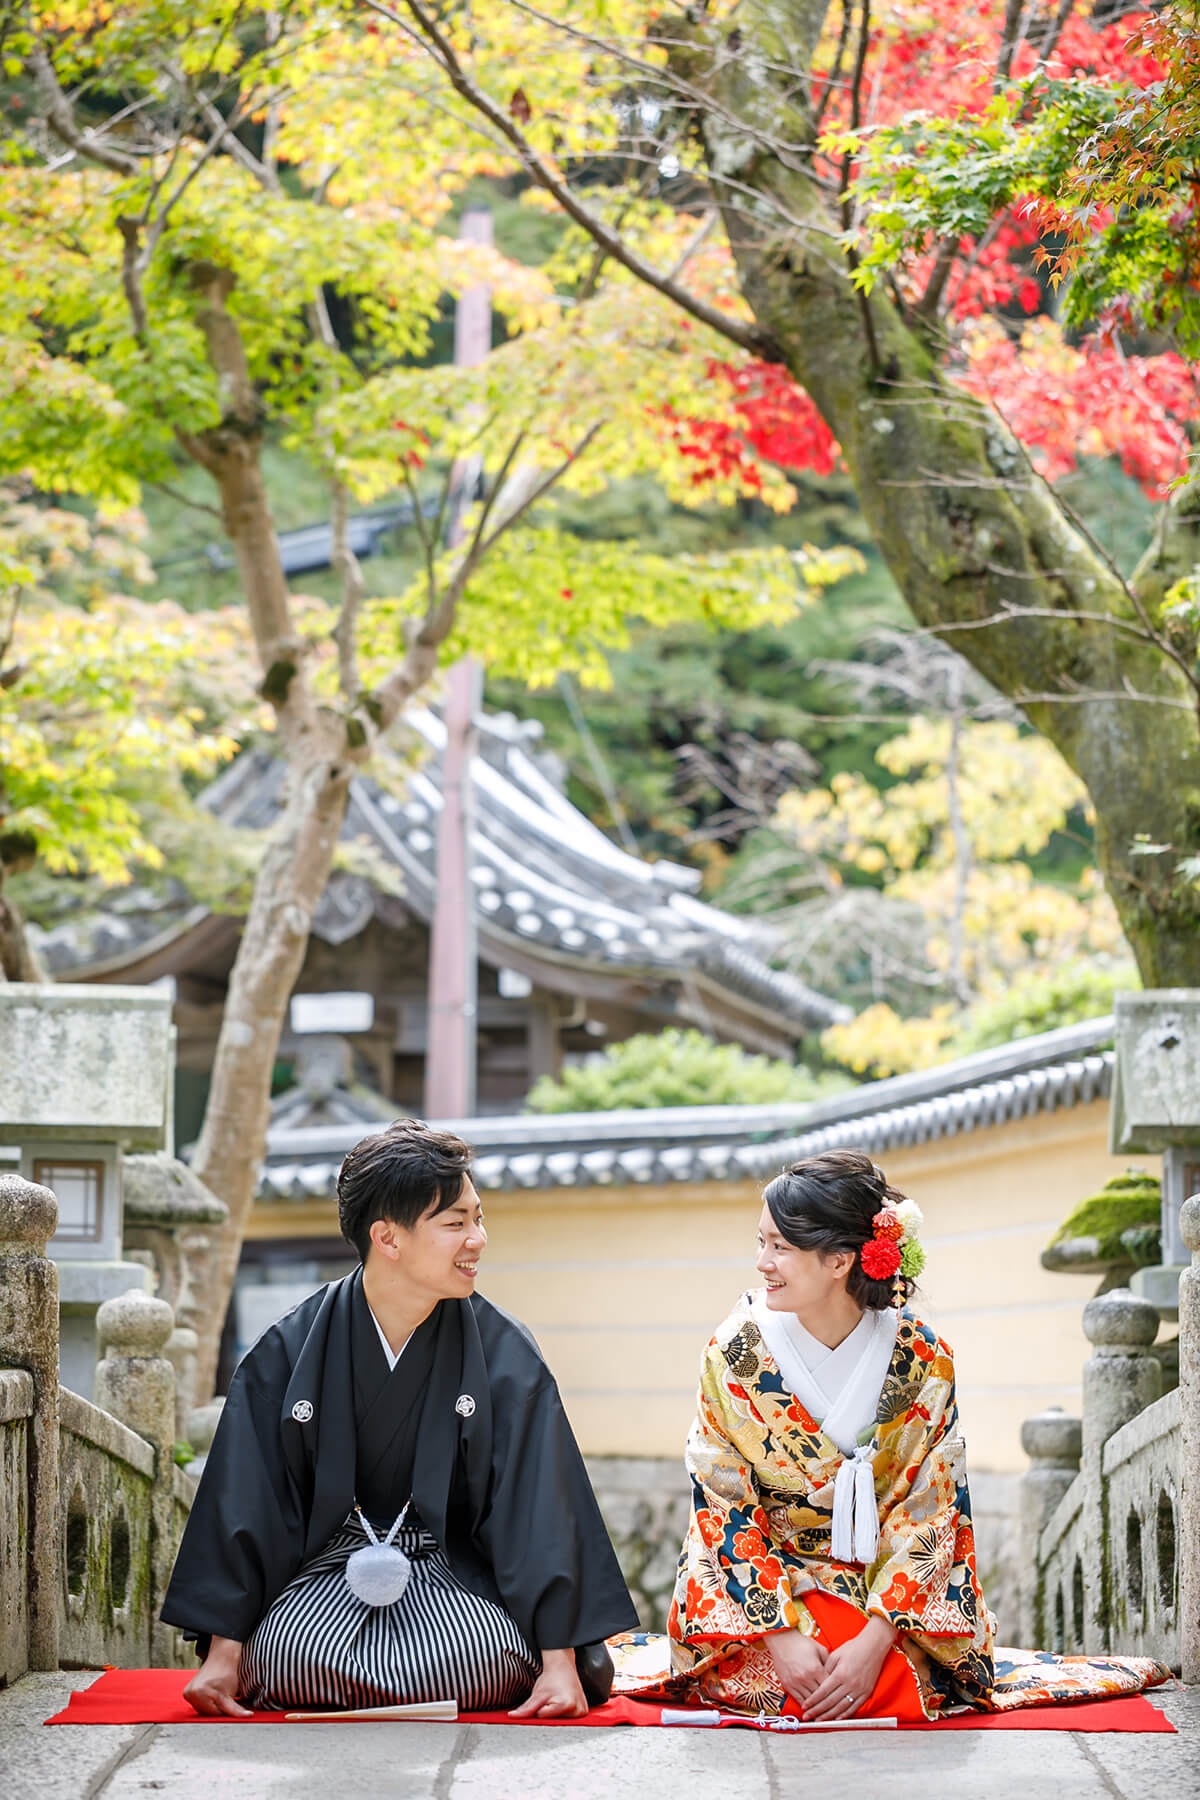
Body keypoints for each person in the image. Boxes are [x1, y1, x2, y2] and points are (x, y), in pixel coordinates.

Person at [162, 1119, 638, 1718]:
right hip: (328, 1572)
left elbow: (538, 1508)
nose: (478, 1238)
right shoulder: (288, 1349)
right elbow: (250, 1503)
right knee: (288, 1657)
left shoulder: (504, 1353)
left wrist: (560, 1664)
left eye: (479, 1218)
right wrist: (225, 1656)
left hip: (454, 1575)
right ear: (388, 1238)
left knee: (477, 1658)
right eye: (455, 1223)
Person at [655, 1149, 994, 1720]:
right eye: (761, 1242)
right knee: (789, 1680)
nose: (763, 1263)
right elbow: (721, 1502)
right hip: (772, 1589)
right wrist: (778, 1632)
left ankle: (872, 1654)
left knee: (885, 1678)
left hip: (885, 1599)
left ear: (840, 1261)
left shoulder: (922, 1360)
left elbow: (934, 1509)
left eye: (781, 1247)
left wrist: (874, 1640)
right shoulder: (736, 1355)